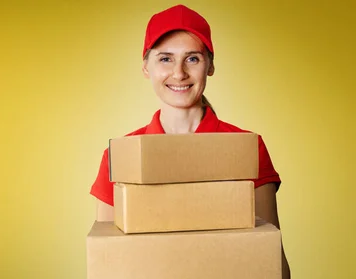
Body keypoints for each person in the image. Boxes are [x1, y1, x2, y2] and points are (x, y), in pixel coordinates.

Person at [89, 4, 291, 279]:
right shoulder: (120, 156)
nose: (179, 73)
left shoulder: (246, 147)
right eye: (165, 59)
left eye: (192, 58)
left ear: (210, 65)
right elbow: (108, 259)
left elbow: (271, 257)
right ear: (146, 67)